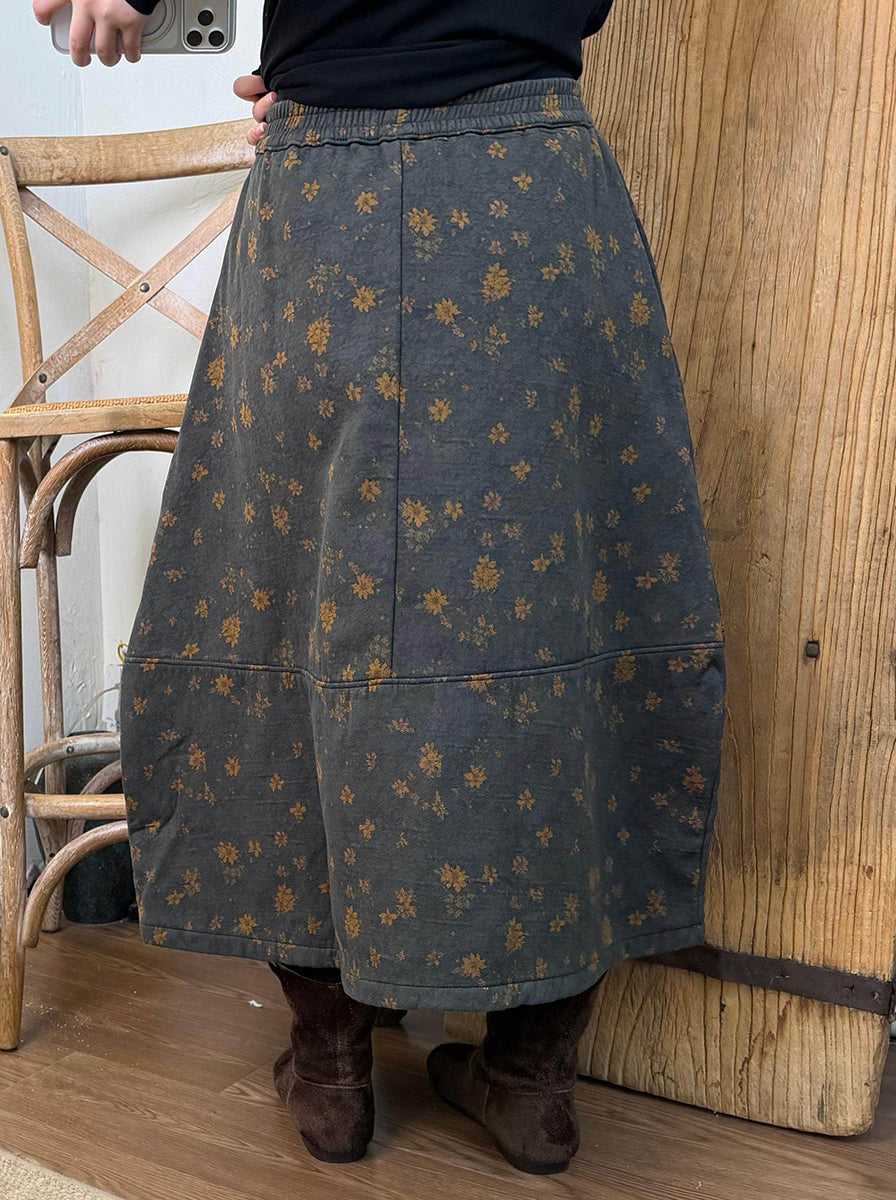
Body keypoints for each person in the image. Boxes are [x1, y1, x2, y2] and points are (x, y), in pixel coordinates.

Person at [32, 0, 726, 1174]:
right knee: (573, 599)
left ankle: (333, 1066)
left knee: (286, 605)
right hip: (532, 188)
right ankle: (531, 1077)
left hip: (327, 198)